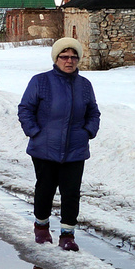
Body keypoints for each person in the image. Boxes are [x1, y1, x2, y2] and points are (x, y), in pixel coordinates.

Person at [19, 37, 100, 250]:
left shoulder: (84, 85)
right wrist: (35, 132)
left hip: (75, 148)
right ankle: (42, 228)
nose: (69, 61)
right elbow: (25, 109)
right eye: (64, 56)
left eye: (74, 57)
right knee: (45, 189)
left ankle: (67, 235)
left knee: (71, 192)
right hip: (44, 147)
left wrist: (88, 132)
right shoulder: (40, 81)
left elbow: (93, 112)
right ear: (56, 58)